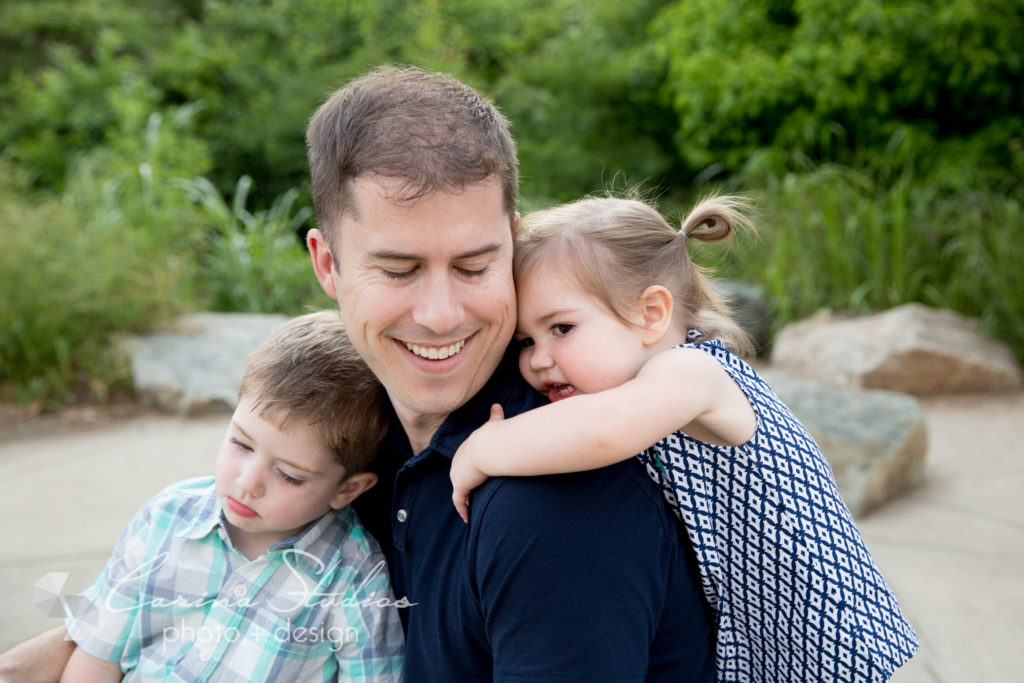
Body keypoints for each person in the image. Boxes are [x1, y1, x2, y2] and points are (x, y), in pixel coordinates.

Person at [0, 65, 715, 682]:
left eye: (475, 265)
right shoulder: (366, 426)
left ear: (512, 243)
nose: (440, 315)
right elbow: (176, 594)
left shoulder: (555, 505)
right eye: (398, 269)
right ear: (327, 265)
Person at [449, 194, 921, 682]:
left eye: (561, 328)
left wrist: (483, 448)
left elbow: (603, 430)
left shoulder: (692, 372)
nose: (538, 359)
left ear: (653, 314)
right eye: (527, 341)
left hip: (820, 628)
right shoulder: (656, 382)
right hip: (762, 618)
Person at [59, 311, 405, 681]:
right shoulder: (165, 519)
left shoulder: (353, 577)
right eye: (241, 443)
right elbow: (97, 655)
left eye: (288, 475)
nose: (248, 481)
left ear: (347, 489)